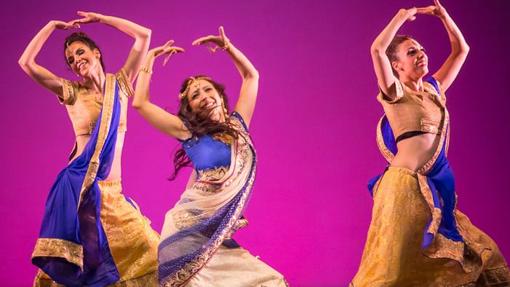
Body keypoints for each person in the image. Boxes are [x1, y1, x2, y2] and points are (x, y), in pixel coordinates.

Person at [351, 1, 510, 286]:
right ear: (396, 65)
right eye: (411, 52)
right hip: (404, 190)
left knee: (478, 255)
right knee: (393, 270)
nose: (421, 54)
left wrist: (445, 17)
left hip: (435, 190)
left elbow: (462, 50)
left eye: (422, 49)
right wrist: (401, 17)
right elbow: (376, 49)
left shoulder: (434, 89)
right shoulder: (394, 92)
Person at [132, 27, 287, 287]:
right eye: (195, 95)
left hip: (215, 234)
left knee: (269, 282)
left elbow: (251, 76)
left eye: (207, 90)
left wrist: (228, 47)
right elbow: (140, 103)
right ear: (190, 108)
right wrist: (149, 60)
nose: (203, 96)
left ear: (220, 96)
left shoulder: (239, 125)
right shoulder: (188, 132)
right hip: (186, 231)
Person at [19, 11, 159, 286]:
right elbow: (26, 63)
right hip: (83, 192)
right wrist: (50, 25)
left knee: (147, 252)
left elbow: (144, 35)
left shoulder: (119, 85)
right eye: (70, 59)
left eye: (80, 52)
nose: (76, 60)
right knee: (85, 268)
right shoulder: (71, 92)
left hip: (113, 194)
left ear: (96, 52)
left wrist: (102, 19)